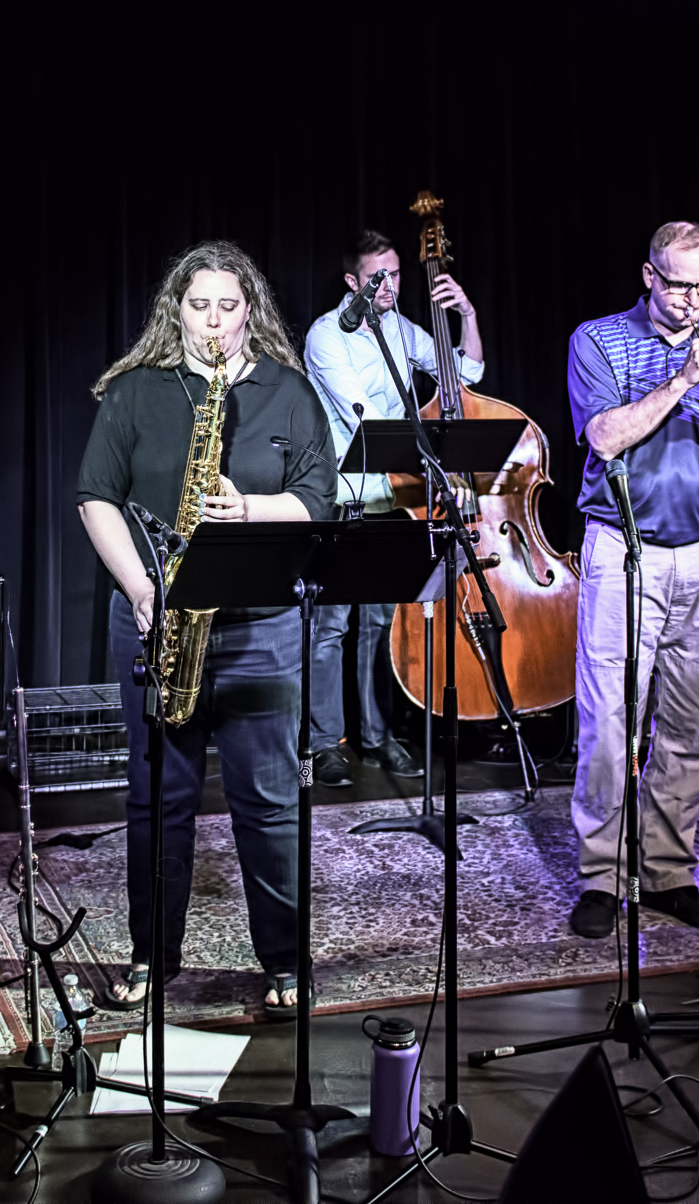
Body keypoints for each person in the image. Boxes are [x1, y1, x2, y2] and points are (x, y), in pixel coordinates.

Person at [76, 242, 338, 1016]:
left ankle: (288, 962)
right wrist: (139, 587)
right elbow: (96, 496)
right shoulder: (137, 391)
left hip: (260, 625)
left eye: (229, 305)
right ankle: (154, 954)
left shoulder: (289, 391)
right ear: (176, 310)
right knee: (158, 799)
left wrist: (248, 508)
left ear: (248, 308)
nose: (214, 321)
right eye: (199, 305)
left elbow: (317, 499)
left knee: (269, 801)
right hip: (157, 616)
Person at [562, 222, 699, 937]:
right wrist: (683, 378)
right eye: (679, 284)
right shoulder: (599, 340)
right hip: (624, 548)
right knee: (610, 725)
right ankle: (600, 877)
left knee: (696, 729)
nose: (691, 301)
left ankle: (667, 871)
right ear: (649, 276)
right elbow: (604, 435)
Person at [300, 228, 487, 785]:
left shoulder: (403, 330)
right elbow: (364, 421)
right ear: (353, 281)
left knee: (380, 623)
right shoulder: (327, 335)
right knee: (331, 625)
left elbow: (466, 372)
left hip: (392, 498)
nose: (390, 286)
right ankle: (323, 743)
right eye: (378, 277)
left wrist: (469, 315)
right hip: (344, 495)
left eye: (397, 274)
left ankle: (378, 737)